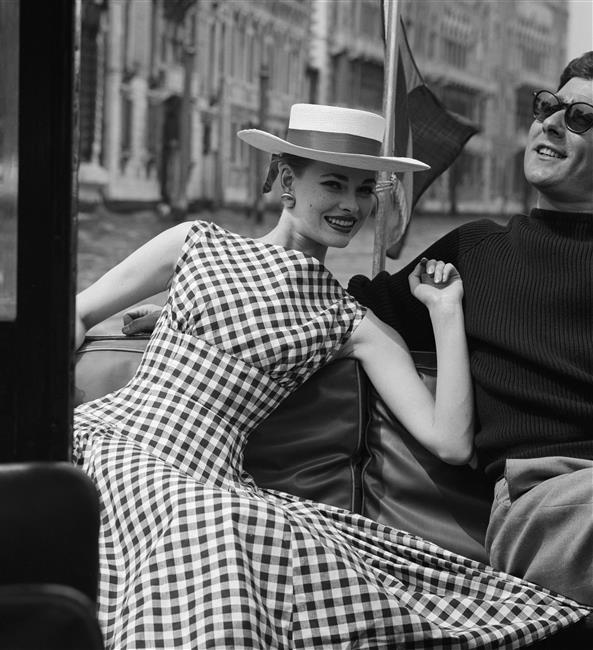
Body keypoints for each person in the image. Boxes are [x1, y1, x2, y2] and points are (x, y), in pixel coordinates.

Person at [74, 103, 588, 649]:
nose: (351, 206)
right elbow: (78, 312)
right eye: (334, 184)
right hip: (110, 442)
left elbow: (452, 442)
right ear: (286, 181)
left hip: (209, 482)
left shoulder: (350, 319)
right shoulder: (195, 243)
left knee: (229, 525)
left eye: (365, 190)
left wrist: (445, 311)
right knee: (214, 522)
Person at [348, 52, 593, 608]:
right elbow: (333, 307)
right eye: (548, 107)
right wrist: (198, 292)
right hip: (543, 503)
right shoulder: (476, 252)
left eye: (580, 118)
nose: (552, 123)